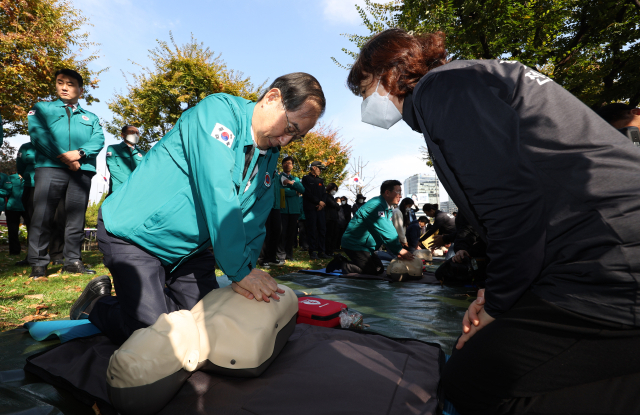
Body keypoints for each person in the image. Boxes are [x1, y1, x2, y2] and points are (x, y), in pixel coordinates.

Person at [347, 28, 640, 414]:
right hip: (598, 246)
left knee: (471, 382)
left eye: (366, 89)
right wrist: (494, 291)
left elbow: (511, 205)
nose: (368, 104)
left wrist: (498, 304)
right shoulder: (471, 79)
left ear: (389, 73)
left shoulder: (443, 88)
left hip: (609, 256)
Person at [69, 72, 325, 345]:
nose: (286, 140)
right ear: (273, 97)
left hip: (188, 251)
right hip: (136, 237)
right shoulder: (219, 112)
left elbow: (254, 218)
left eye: (296, 137)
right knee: (159, 339)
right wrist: (239, 272)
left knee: (211, 329)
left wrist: (247, 272)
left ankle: (151, 304)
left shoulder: (270, 156)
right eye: (290, 127)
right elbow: (218, 192)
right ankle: (96, 305)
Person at [27, 69, 104, 278]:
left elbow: (98, 140)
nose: (64, 87)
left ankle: (72, 260)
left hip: (82, 171)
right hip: (50, 168)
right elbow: (38, 136)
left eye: (70, 84)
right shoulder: (41, 109)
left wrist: (79, 154)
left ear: (80, 89)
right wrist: (64, 157)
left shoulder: (92, 117)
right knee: (42, 216)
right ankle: (39, 264)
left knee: (76, 218)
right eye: (60, 82)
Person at [327, 180, 413, 275]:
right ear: (387, 192)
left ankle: (346, 262)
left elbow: (388, 228)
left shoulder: (385, 207)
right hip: (355, 244)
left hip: (365, 246)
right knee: (371, 271)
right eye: (398, 192)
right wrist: (399, 249)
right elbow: (386, 230)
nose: (400, 196)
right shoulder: (375, 205)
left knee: (379, 269)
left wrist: (396, 250)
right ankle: (341, 263)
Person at [277, 156, 305, 262]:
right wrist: (294, 191)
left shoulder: (296, 179)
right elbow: (280, 191)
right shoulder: (278, 177)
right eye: (285, 163)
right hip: (283, 208)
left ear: (292, 166)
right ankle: (281, 255)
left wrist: (290, 183)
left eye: (290, 163)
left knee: (291, 233)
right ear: (282, 165)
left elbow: (302, 189)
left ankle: (289, 254)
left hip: (294, 209)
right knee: (282, 233)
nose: (287, 164)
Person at [301, 161, 330, 260]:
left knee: (322, 230)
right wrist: (318, 202)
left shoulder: (320, 181)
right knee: (312, 230)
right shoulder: (306, 179)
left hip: (320, 209)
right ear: (314, 168)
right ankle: (312, 251)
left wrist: (322, 203)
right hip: (310, 208)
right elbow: (307, 193)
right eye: (319, 168)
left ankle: (322, 251)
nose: (320, 171)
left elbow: (324, 194)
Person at [106, 125, 146, 195]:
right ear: (122, 135)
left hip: (137, 190)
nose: (135, 134)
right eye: (132, 132)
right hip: (118, 189)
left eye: (137, 133)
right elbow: (113, 168)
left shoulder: (143, 153)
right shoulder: (113, 148)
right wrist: (130, 182)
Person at [5, 172, 27, 257]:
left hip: (27, 207)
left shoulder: (31, 178)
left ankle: (32, 250)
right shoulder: (11, 178)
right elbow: (6, 191)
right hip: (12, 208)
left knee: (32, 229)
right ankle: (14, 251)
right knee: (13, 231)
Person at [324, 182, 341, 256]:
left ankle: (331, 250)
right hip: (328, 219)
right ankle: (328, 251)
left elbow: (337, 207)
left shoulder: (332, 198)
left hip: (334, 219)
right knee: (329, 235)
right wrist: (336, 205)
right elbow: (334, 205)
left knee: (334, 235)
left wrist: (336, 205)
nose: (334, 191)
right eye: (333, 189)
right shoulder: (326, 196)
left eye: (335, 189)